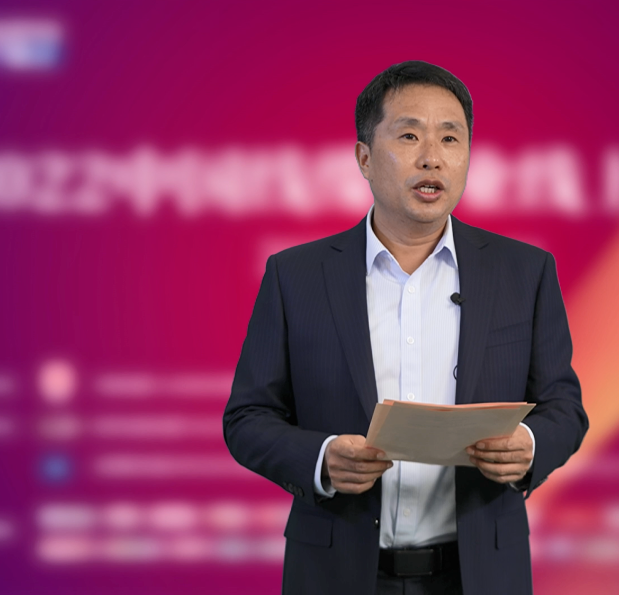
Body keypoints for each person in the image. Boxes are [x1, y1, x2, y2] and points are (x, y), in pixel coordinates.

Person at [223, 60, 589, 595]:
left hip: (478, 576)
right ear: (364, 158)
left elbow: (565, 407)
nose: (432, 157)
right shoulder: (295, 276)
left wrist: (530, 445)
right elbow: (247, 418)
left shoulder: (524, 272)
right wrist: (322, 459)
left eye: (450, 138)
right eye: (410, 135)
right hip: (339, 574)